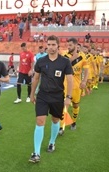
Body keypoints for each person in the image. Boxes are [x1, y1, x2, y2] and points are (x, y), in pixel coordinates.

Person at [29, 35, 73, 163]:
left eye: (54, 45)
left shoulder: (65, 62)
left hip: (57, 96)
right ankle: (36, 153)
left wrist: (68, 97)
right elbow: (36, 78)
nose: (51, 47)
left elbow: (70, 80)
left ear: (58, 46)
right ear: (46, 45)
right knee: (40, 121)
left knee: (55, 120)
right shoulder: (41, 61)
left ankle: (52, 142)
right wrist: (32, 94)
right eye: (49, 44)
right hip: (42, 95)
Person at [59, 38, 88, 135]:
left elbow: (86, 70)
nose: (68, 47)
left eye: (70, 45)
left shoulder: (83, 56)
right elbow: (62, 67)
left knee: (76, 105)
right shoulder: (64, 56)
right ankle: (61, 126)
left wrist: (84, 81)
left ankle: (74, 122)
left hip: (77, 85)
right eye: (68, 45)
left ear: (76, 45)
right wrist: (72, 58)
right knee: (64, 105)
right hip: (66, 83)